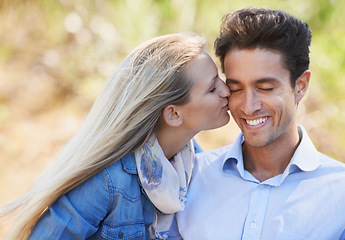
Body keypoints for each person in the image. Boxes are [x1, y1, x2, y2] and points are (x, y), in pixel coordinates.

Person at [0, 32, 231, 240]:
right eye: (212, 88)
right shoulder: (106, 181)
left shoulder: (193, 163)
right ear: (173, 114)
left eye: (219, 79)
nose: (226, 90)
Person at [175, 8, 345, 239]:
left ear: (301, 85)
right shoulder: (188, 179)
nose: (248, 106)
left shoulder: (339, 193)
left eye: (265, 88)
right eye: (236, 89)